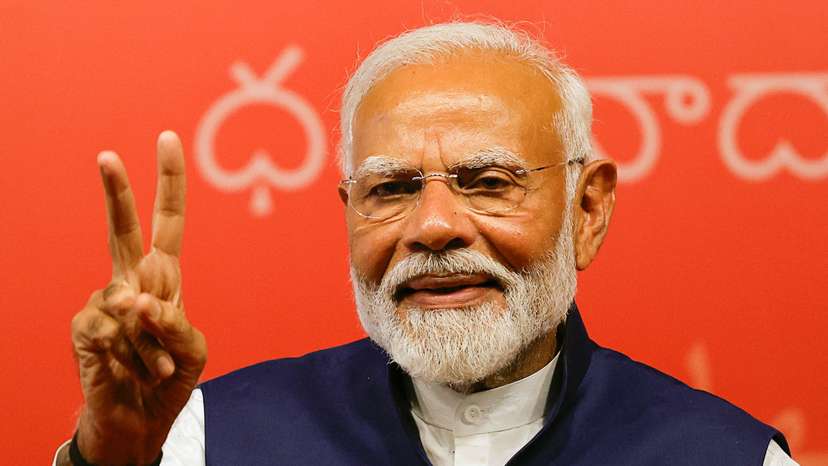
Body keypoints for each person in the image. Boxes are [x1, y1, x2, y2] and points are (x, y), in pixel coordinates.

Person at [55, 21, 796, 466]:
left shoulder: (724, 456)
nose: (433, 226)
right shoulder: (208, 440)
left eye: (488, 182)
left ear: (587, 209)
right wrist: (110, 459)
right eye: (392, 189)